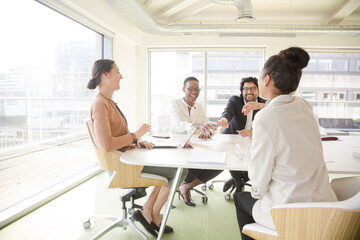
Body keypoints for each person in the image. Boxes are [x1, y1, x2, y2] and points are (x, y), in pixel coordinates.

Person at [233, 47, 338, 240]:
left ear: (267, 79)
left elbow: (258, 180)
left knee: (240, 198)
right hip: (325, 207)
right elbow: (285, 106)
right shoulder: (306, 107)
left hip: (289, 211)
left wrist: (259, 192)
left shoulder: (264, 118)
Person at [87, 59, 176, 237]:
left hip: (125, 158)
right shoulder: (100, 104)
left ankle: (148, 211)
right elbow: (107, 145)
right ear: (105, 75)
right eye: (117, 71)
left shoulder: (108, 102)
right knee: (177, 171)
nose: (121, 76)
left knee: (172, 169)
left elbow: (116, 136)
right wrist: (135, 135)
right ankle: (152, 213)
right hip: (120, 166)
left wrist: (135, 142)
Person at [170, 76, 220, 206]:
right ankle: (183, 184)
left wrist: (208, 132)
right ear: (183, 89)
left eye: (197, 89)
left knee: (219, 165)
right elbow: (176, 124)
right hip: (179, 149)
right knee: (195, 167)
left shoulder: (199, 107)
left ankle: (186, 186)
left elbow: (206, 124)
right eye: (190, 89)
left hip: (197, 147)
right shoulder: (175, 103)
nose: (194, 92)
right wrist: (195, 125)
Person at [217, 77, 266, 193]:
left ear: (258, 90)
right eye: (246, 89)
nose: (249, 92)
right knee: (233, 159)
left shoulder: (264, 103)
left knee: (259, 161)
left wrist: (253, 133)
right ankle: (239, 183)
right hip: (234, 137)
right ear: (242, 91)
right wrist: (224, 119)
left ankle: (238, 180)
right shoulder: (236, 100)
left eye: (253, 88)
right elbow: (227, 112)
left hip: (254, 138)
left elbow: (271, 121)